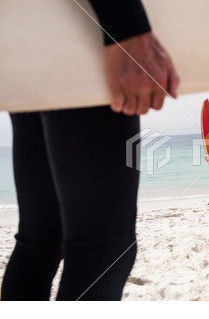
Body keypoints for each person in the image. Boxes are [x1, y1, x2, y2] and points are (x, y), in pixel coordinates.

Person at [1, 0, 179, 301]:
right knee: (104, 251)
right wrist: (126, 26)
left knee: (42, 240)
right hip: (81, 30)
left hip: (25, 36)